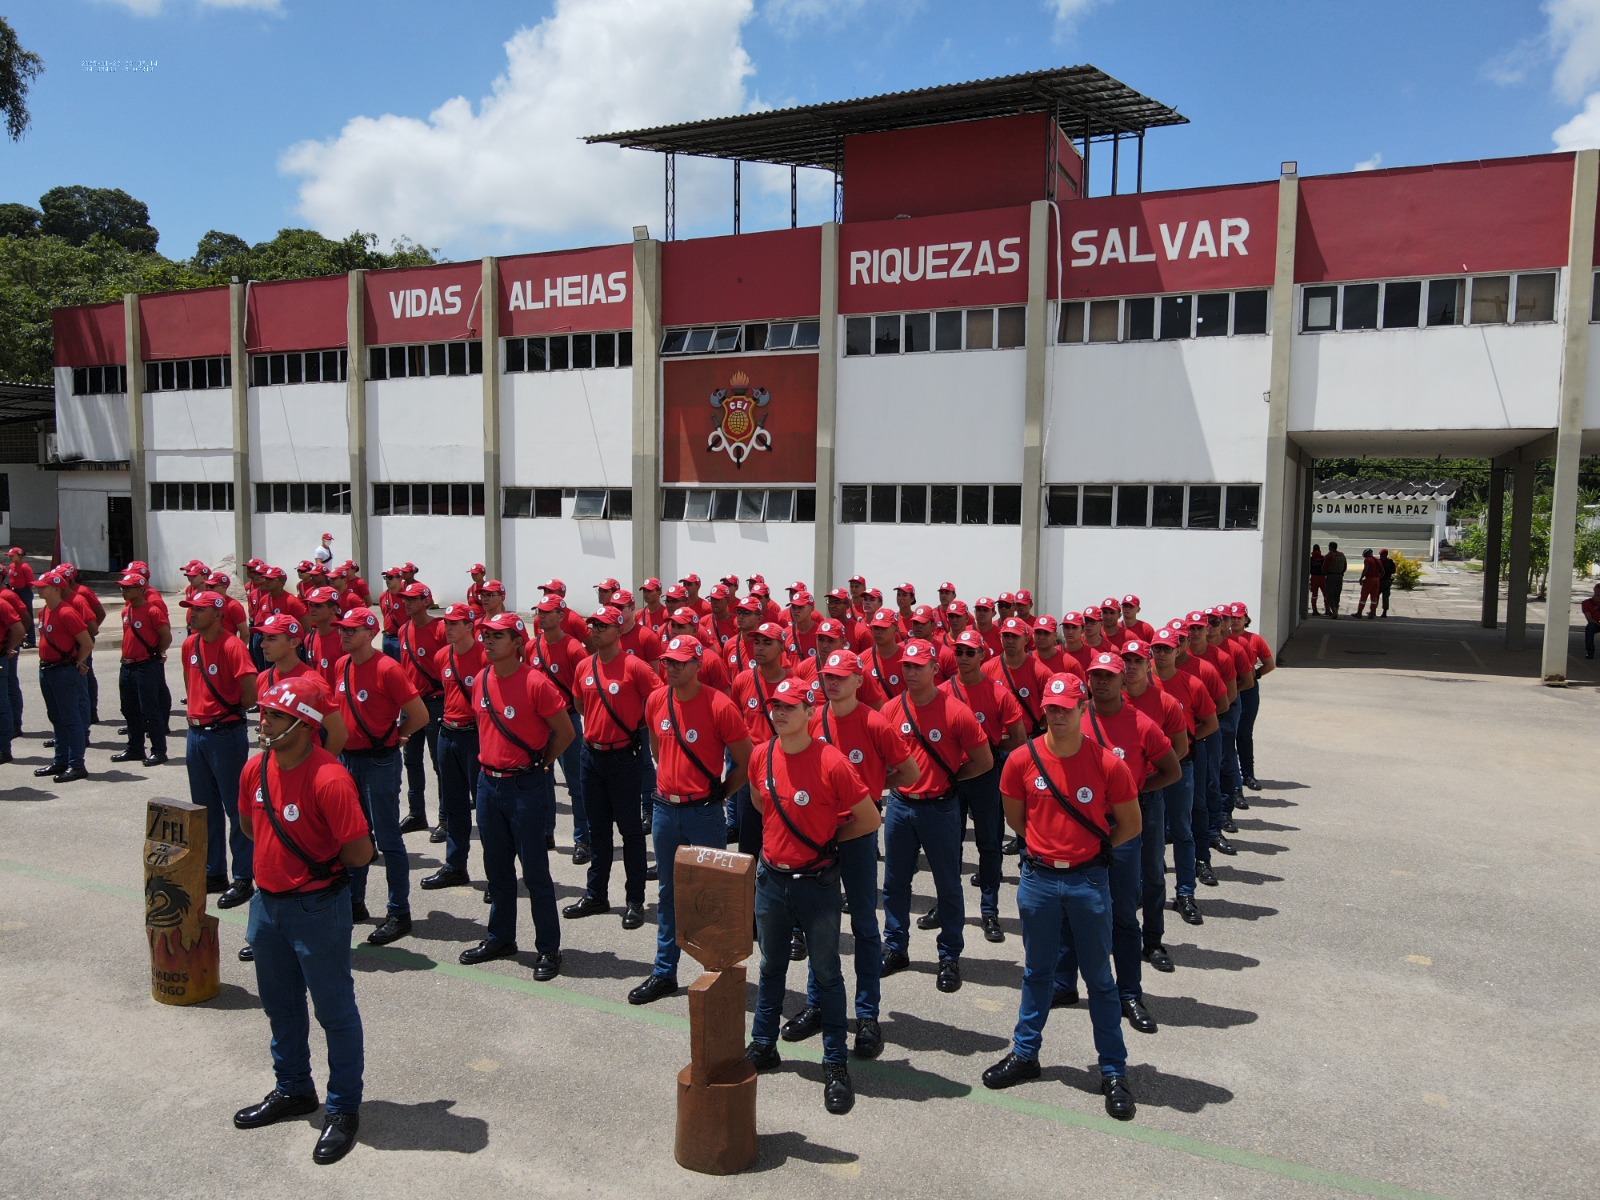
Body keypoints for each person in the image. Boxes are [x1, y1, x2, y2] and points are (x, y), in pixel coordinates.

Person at [984, 673, 1142, 1121]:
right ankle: (1025, 1053)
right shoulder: (1022, 760)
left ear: (1082, 709)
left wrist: (1091, 852)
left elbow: (1131, 823)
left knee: (1100, 979)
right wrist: (1047, 848)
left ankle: (1113, 1070)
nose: (1057, 715)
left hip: (1087, 882)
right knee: (1037, 972)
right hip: (1038, 881)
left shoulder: (1108, 763)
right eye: (1051, 708)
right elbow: (1017, 819)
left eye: (1065, 708)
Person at [233, 676, 372, 1166]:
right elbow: (250, 827)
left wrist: (310, 868)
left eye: (274, 715)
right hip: (267, 907)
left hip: (317, 909)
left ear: (305, 724)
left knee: (334, 1011)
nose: (263, 721)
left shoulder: (330, 779)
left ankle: (343, 1108)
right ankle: (293, 1088)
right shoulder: (254, 768)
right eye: (263, 712)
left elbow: (360, 852)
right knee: (280, 1006)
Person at [744, 676, 882, 1116]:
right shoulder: (762, 755)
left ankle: (835, 1063)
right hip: (772, 880)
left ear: (809, 712)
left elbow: (868, 819)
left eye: (790, 706)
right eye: (775, 706)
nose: (780, 713)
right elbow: (760, 802)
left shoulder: (832, 761)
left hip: (817, 884)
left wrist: (824, 841)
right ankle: (763, 1043)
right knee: (771, 966)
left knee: (826, 973)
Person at [782, 648, 915, 1057]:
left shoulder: (875, 722)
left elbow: (909, 772)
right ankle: (818, 1003)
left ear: (859, 680)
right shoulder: (813, 718)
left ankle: (868, 1015)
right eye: (828, 676)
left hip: (858, 831)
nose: (833, 682)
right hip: (818, 829)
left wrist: (868, 787)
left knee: (863, 924)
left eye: (841, 676)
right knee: (819, 923)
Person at [1056, 651, 1180, 1036]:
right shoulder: (1076, 718)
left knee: (1123, 914)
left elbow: (1172, 769)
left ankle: (1129, 993)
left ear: (1123, 680)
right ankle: (1063, 984)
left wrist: (1135, 792)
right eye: (1096, 675)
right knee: (1070, 909)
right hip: (1079, 827)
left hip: (1121, 830)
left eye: (1109, 676)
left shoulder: (1141, 724)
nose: (1102, 682)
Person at [627, 633, 752, 1006]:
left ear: (698, 665)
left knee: (712, 896)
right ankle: (665, 971)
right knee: (668, 893)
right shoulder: (656, 700)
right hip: (666, 810)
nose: (672, 668)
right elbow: (657, 749)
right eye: (668, 661)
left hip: (703, 813)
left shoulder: (719, 705)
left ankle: (717, 972)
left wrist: (722, 792)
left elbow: (746, 760)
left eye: (681, 662)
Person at [459, 612, 574, 980]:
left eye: (497, 636)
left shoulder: (536, 683)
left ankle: (548, 948)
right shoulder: (481, 679)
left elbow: (565, 732)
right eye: (487, 635)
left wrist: (542, 763)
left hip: (525, 786)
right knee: (496, 868)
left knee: (535, 871)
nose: (488, 641)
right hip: (488, 784)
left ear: (517, 643)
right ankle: (500, 937)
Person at [880, 639, 992, 993]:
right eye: (907, 666)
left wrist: (950, 779)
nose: (911, 672)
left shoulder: (956, 711)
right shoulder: (890, 710)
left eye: (918, 667)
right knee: (896, 881)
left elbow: (984, 761)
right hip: (901, 806)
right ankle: (895, 946)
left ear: (933, 669)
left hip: (940, 807)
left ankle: (949, 955)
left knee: (947, 884)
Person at [331, 606, 430, 944]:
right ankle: (354, 902)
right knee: (355, 836)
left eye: (351, 630)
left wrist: (395, 736)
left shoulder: (387, 668)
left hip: (379, 762)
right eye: (342, 629)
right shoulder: (342, 665)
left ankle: (399, 912)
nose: (344, 634)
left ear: (370, 633)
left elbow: (419, 714)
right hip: (349, 760)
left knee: (388, 840)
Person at [563, 606, 661, 931]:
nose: (595, 630)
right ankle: (596, 894)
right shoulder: (584, 666)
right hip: (592, 756)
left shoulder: (635, 667)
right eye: (593, 625)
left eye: (603, 626)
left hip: (624, 758)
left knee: (630, 832)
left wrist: (635, 724)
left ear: (619, 631)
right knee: (598, 830)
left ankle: (635, 900)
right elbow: (580, 704)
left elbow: (659, 701)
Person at [940, 627, 1026, 942]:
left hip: (986, 776)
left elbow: (1019, 739)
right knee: (948, 845)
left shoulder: (998, 692)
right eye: (958, 652)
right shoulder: (942, 691)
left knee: (989, 843)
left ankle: (989, 910)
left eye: (969, 652)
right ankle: (946, 906)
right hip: (952, 776)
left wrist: (990, 751)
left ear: (981, 655)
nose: (962, 657)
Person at [182, 589, 259, 903]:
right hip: (196, 734)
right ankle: (213, 871)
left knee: (236, 808)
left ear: (217, 613)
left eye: (199, 610)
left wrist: (224, 712)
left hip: (225, 734)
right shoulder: (190, 644)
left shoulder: (232, 646)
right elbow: (189, 683)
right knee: (204, 808)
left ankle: (243, 877)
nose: (192, 614)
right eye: (191, 609)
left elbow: (250, 693)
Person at [1148, 628, 1216, 924]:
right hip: (1147, 769)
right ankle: (1147, 888)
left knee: (1181, 829)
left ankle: (1185, 892)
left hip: (1180, 765)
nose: (1162, 654)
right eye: (1157, 648)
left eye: (1167, 648)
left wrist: (1183, 745)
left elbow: (1211, 722)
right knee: (1148, 832)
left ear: (1178, 650)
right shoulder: (1138, 683)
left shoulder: (1192, 683)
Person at [423, 603, 487, 890]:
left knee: (485, 810)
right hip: (448, 734)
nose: (447, 628)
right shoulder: (442, 656)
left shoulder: (484, 656)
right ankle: (455, 866)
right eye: (446, 623)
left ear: (470, 626)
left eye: (454, 623)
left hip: (475, 737)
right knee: (453, 805)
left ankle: (496, 873)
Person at [532, 595, 590, 861]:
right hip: (539, 722)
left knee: (576, 783)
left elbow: (585, 689)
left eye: (547, 612)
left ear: (561, 616)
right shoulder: (533, 646)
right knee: (542, 778)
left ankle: (583, 838)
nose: (542, 616)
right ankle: (546, 832)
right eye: (539, 612)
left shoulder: (574, 649)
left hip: (566, 719)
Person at [396, 582, 447, 839]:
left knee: (440, 763)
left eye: (413, 599)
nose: (407, 603)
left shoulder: (439, 629)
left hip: (436, 702)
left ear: (426, 601)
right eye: (405, 599)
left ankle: (445, 818)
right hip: (411, 703)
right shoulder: (403, 630)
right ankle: (417, 813)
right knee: (412, 760)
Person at [32, 570, 94, 783]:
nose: (39, 590)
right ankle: (61, 760)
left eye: (43, 587)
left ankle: (76, 764)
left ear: (56, 588)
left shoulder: (67, 612)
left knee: (70, 718)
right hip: (47, 669)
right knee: (56, 717)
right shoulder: (44, 611)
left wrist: (78, 662)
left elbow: (87, 642)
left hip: (63, 671)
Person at [113, 570, 171, 767]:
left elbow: (166, 636)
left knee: (150, 710)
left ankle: (159, 751)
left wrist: (157, 653)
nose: (124, 592)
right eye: (122, 588)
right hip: (127, 666)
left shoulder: (152, 611)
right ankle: (135, 748)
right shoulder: (126, 612)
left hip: (145, 666)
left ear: (140, 589)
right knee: (129, 708)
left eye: (128, 588)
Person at [5, 547, 36, 647]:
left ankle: (31, 640)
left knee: (27, 615)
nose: (10, 558)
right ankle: (20, 638)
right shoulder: (11, 566)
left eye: (12, 556)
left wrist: (25, 591)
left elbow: (31, 582)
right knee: (16, 616)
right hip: (15, 591)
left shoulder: (25, 567)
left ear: (19, 556)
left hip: (24, 592)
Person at [1323, 542, 1349, 618]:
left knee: (1329, 594)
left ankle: (1334, 610)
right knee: (1337, 594)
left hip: (1331, 576)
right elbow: (1345, 567)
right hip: (1340, 576)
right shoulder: (1342, 555)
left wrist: (1325, 573)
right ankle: (1336, 609)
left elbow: (1324, 567)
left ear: (1330, 547)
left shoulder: (1329, 556)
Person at [1355, 549, 1383, 618]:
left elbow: (1365, 570)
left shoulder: (1367, 560)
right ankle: (1372, 613)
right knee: (1374, 598)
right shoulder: (1378, 560)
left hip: (1369, 579)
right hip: (1376, 580)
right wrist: (1378, 577)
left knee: (1363, 596)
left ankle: (1359, 613)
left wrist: (1361, 578)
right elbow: (1383, 571)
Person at [1378, 549, 1397, 617]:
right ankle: (1384, 612)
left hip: (1380, 581)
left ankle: (1373, 611)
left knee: (1376, 596)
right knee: (1385, 597)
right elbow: (1394, 571)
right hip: (1387, 581)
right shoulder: (1390, 562)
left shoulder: (1379, 562)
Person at [1584, 582, 1600, 660]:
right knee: (1590, 628)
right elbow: (1589, 618)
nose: (1599, 591)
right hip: (1595, 623)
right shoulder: (1586, 603)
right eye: (1597, 589)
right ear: (1594, 589)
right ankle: (1590, 652)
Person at [1308, 544, 1325, 616]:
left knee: (1314, 595)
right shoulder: (1323, 558)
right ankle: (1327, 609)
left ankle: (1314, 610)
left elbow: (1308, 569)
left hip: (1314, 577)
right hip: (1322, 577)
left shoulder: (1311, 559)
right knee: (1325, 594)